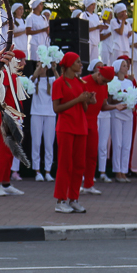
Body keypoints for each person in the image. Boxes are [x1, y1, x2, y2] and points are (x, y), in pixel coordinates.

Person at [52, 52, 92, 213]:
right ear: (69, 65)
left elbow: (85, 108)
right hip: (66, 127)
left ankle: (74, 199)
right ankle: (60, 200)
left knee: (79, 165)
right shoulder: (59, 83)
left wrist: (88, 100)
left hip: (81, 127)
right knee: (65, 164)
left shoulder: (81, 82)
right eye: (78, 62)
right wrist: (78, 100)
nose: (81, 65)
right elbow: (56, 108)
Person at [0, 50, 26, 196]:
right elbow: (0, 96)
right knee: (4, 150)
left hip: (14, 116)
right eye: (22, 59)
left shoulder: (14, 75)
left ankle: (5, 182)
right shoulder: (5, 74)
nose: (24, 63)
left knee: (10, 151)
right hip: (6, 117)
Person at [81, 60, 111, 194]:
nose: (104, 84)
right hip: (81, 121)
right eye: (103, 81)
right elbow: (78, 103)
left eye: (106, 83)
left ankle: (89, 184)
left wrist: (116, 107)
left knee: (92, 154)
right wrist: (88, 101)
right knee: (79, 154)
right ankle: (76, 183)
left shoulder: (104, 85)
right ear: (98, 74)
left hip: (93, 123)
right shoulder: (84, 81)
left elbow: (103, 106)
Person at [29, 62, 56, 181]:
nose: (41, 68)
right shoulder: (33, 79)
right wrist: (39, 68)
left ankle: (48, 171)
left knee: (49, 144)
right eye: (38, 66)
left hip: (50, 114)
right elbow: (32, 79)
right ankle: (37, 171)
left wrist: (54, 68)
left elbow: (61, 81)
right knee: (36, 143)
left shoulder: (52, 80)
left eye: (43, 66)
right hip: (36, 113)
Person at [109, 59, 136, 182]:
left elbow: (133, 96)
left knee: (126, 144)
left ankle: (124, 170)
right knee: (118, 143)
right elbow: (111, 100)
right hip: (117, 115)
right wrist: (122, 100)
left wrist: (131, 103)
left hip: (128, 115)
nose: (126, 68)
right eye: (124, 66)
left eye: (126, 66)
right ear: (118, 67)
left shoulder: (129, 82)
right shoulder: (113, 82)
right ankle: (117, 171)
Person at [25, 0, 50, 68]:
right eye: (40, 4)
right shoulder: (30, 17)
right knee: (35, 63)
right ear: (35, 6)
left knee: (44, 63)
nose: (42, 6)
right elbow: (28, 31)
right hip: (34, 43)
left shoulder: (43, 17)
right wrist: (42, 30)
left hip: (43, 43)